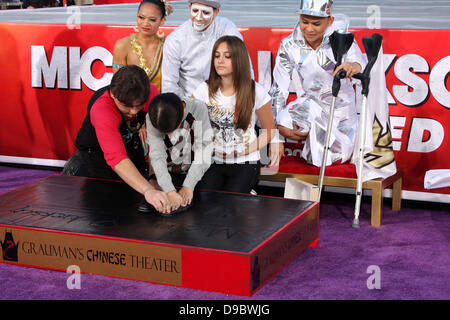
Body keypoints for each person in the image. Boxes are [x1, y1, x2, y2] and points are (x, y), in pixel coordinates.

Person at [62, 65, 170, 213]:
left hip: (131, 150)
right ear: (113, 95)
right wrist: (148, 189)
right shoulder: (102, 108)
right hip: (93, 158)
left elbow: (156, 140)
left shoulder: (150, 93)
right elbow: (116, 157)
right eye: (126, 106)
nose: (133, 112)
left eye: (138, 106)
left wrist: (153, 176)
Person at [270, 0, 365, 167]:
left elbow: (361, 64)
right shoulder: (289, 44)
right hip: (312, 105)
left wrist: (352, 67)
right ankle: (315, 136)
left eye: (316, 23)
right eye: (304, 22)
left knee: (326, 159)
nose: (309, 29)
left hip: (340, 112)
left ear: (330, 21)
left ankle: (325, 140)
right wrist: (275, 135)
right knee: (283, 122)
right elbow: (278, 89)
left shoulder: (341, 38)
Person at [193, 35, 279, 193]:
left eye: (227, 57)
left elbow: (269, 131)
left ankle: (248, 196)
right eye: (217, 56)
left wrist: (242, 152)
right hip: (214, 160)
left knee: (230, 206)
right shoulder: (203, 90)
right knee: (203, 200)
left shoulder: (256, 91)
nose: (220, 61)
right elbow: (189, 118)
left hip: (246, 161)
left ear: (239, 60)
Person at [161, 0, 247, 99]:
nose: (198, 17)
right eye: (195, 10)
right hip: (190, 104)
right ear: (189, 7)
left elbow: (243, 64)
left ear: (216, 13)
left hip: (226, 102)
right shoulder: (175, 39)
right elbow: (169, 85)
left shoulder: (226, 28)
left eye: (205, 12)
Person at [146, 93, 214, 211]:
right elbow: (157, 154)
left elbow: (204, 149)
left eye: (171, 131)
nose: (169, 136)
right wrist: (169, 190)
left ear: (182, 114)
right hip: (167, 171)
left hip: (196, 169)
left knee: (204, 208)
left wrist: (189, 185)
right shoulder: (152, 116)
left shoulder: (198, 109)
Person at [113, 0, 173, 92]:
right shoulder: (123, 45)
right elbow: (118, 85)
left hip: (161, 104)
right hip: (130, 103)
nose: (145, 23)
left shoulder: (169, 46)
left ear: (162, 21)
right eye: (141, 17)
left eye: (152, 20)